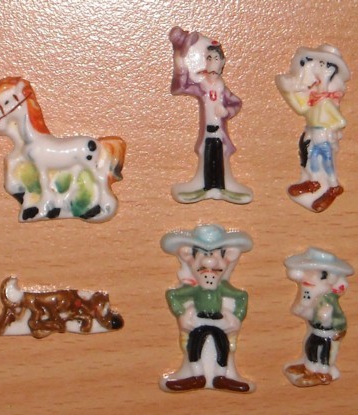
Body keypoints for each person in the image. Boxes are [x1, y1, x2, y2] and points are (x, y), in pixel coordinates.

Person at [159, 224, 254, 393]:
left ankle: (222, 377)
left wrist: (237, 317)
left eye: (216, 254)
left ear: (228, 257)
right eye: (203, 254)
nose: (209, 261)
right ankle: (196, 376)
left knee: (223, 346)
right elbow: (173, 295)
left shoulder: (222, 287)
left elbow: (241, 296)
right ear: (188, 257)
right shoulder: (194, 288)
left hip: (219, 322)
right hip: (198, 321)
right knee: (193, 346)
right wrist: (181, 314)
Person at [169, 27, 252, 204]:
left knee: (220, 155)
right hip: (207, 131)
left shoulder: (222, 89)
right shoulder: (202, 85)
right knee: (207, 154)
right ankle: (206, 186)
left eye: (215, 59)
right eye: (208, 58)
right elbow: (180, 87)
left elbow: (236, 103)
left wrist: (227, 112)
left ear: (222, 62)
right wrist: (179, 62)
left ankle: (221, 186)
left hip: (219, 132)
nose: (212, 63)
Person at [276, 44, 351, 212]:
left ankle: (332, 186)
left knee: (327, 162)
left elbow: (339, 121)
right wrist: (288, 92)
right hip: (313, 132)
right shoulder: (315, 98)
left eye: (323, 66)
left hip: (324, 135)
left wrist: (329, 130)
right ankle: (313, 182)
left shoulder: (326, 101)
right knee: (310, 157)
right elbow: (302, 108)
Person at [283, 248, 353, 387]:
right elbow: (307, 311)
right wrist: (303, 308)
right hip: (316, 329)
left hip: (327, 332)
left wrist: (339, 328)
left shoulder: (327, 300)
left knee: (324, 353)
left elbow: (335, 316)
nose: (308, 278)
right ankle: (310, 367)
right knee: (311, 347)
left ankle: (323, 371)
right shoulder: (315, 297)